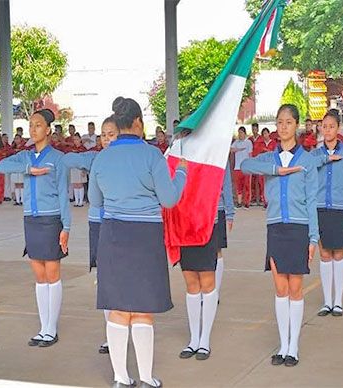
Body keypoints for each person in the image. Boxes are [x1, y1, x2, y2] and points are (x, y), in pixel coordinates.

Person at [89, 97, 187, 388]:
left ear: (117, 125)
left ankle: (121, 377)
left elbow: (95, 201)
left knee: (118, 307)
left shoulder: (102, 157)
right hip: (145, 237)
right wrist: (181, 173)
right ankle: (146, 378)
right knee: (142, 309)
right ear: (139, 123)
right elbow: (169, 199)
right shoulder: (152, 155)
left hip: (114, 234)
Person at [241, 104, 318, 367]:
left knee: (295, 289)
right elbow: (244, 164)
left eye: (288, 122)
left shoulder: (307, 160)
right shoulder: (268, 158)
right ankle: (282, 344)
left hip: (298, 228)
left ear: (296, 126)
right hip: (275, 228)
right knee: (279, 288)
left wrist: (314, 238)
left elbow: (311, 202)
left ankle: (293, 346)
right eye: (279, 122)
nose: (283, 127)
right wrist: (277, 171)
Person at [0, 109, 71, 348]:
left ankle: (52, 328)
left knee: (52, 274)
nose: (33, 129)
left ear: (48, 129)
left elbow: (63, 194)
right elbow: (1, 166)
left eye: (38, 125)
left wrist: (66, 226)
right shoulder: (26, 157)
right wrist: (29, 170)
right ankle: (43, 327)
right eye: (31, 125)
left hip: (51, 220)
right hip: (31, 218)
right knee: (39, 276)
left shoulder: (58, 158)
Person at [63, 116, 119, 355]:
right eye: (103, 135)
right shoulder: (94, 157)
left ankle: (123, 327)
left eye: (111, 134)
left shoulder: (126, 160)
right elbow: (69, 159)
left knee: (121, 276)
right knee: (103, 278)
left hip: (119, 221)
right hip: (98, 222)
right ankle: (112, 332)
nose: (106, 139)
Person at [177, 159, 233, 362]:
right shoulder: (180, 150)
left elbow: (222, 181)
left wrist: (230, 209)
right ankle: (193, 339)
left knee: (207, 282)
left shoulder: (213, 151)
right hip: (184, 221)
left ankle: (204, 340)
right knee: (191, 282)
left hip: (207, 220)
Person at [311, 109, 343, 318]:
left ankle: (338, 301)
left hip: (341, 208)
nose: (328, 130)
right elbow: (306, 169)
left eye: (331, 126)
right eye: (324, 126)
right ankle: (327, 301)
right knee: (324, 254)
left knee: (339, 254)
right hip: (320, 207)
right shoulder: (315, 154)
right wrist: (327, 159)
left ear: (338, 128)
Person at [214, 161, 235, 297]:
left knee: (217, 250)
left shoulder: (220, 153)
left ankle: (214, 290)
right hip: (196, 208)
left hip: (217, 207)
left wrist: (229, 211)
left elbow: (226, 183)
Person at [231, 127, 253, 208]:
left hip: (246, 167)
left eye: (241, 132)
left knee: (247, 185)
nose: (240, 134)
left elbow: (250, 154)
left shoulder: (248, 142)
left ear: (244, 133)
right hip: (237, 167)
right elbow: (231, 150)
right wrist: (238, 149)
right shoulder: (236, 142)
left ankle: (247, 202)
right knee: (238, 186)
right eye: (239, 132)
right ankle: (239, 202)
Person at [69, 134, 88, 207]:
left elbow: (85, 160)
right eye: (74, 139)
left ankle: (81, 201)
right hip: (73, 168)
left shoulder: (83, 148)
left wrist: (84, 169)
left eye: (77, 139)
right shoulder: (71, 148)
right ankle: (76, 201)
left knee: (80, 184)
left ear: (80, 139)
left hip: (80, 168)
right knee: (75, 184)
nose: (75, 141)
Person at [11, 134, 27, 205]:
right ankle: (17, 200)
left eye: (18, 138)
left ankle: (23, 200)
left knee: (22, 183)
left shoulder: (24, 147)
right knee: (16, 183)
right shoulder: (12, 147)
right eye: (15, 139)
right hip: (15, 167)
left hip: (21, 166)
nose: (16, 140)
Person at [249, 123, 262, 206]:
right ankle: (253, 198)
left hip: (259, 161)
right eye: (253, 129)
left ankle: (260, 198)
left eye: (255, 129)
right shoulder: (250, 139)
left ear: (258, 129)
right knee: (252, 181)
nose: (254, 131)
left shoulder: (261, 139)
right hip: (252, 161)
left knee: (260, 180)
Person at [1, 134, 13, 201]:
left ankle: (7, 195)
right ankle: (1, 194)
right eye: (4, 138)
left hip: (7, 164)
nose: (6, 139)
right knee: (1, 180)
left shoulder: (9, 146)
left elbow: (11, 153)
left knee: (7, 180)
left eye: (7, 138)